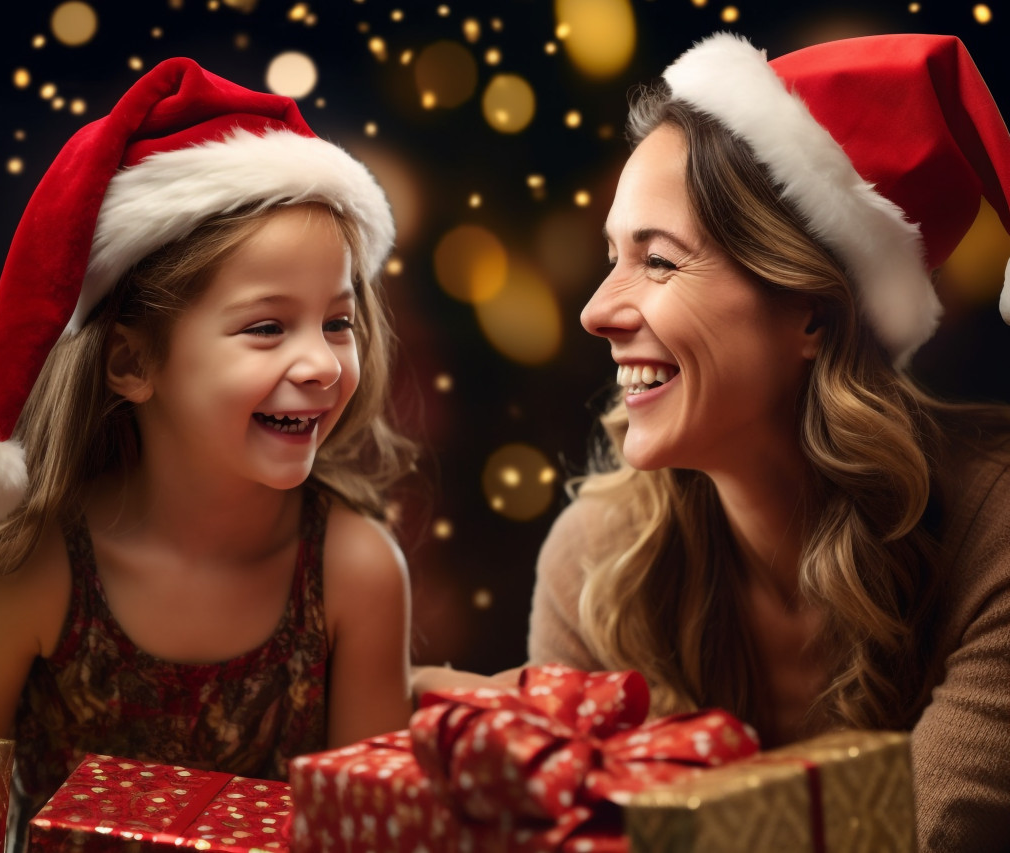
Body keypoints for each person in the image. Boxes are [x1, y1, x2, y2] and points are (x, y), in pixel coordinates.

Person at [417, 32, 1010, 852]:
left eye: (658, 261)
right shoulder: (596, 559)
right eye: (611, 257)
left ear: (811, 313)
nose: (595, 311)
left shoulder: (994, 533)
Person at [0, 57, 416, 842]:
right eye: (267, 327)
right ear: (131, 361)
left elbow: (371, 835)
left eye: (337, 322)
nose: (323, 363)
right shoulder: (29, 575)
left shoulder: (357, 574)